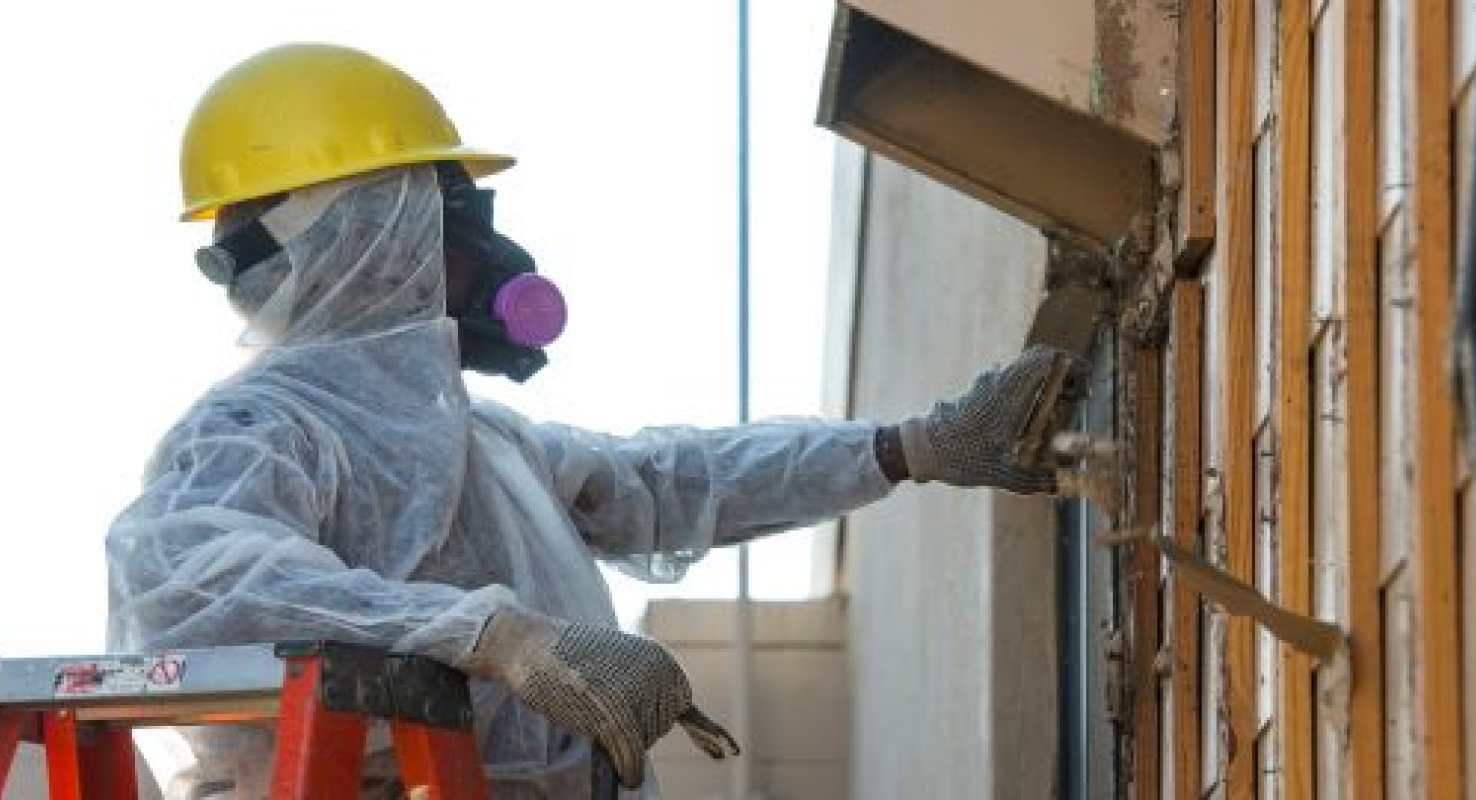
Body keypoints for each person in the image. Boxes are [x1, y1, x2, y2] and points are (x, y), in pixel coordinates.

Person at [105, 42, 1079, 800]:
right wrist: (498, 637)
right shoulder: (263, 427)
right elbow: (184, 574)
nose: (481, 247)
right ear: (371, 236)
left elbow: (669, 479)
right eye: (451, 211)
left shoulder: (486, 445)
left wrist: (906, 447)